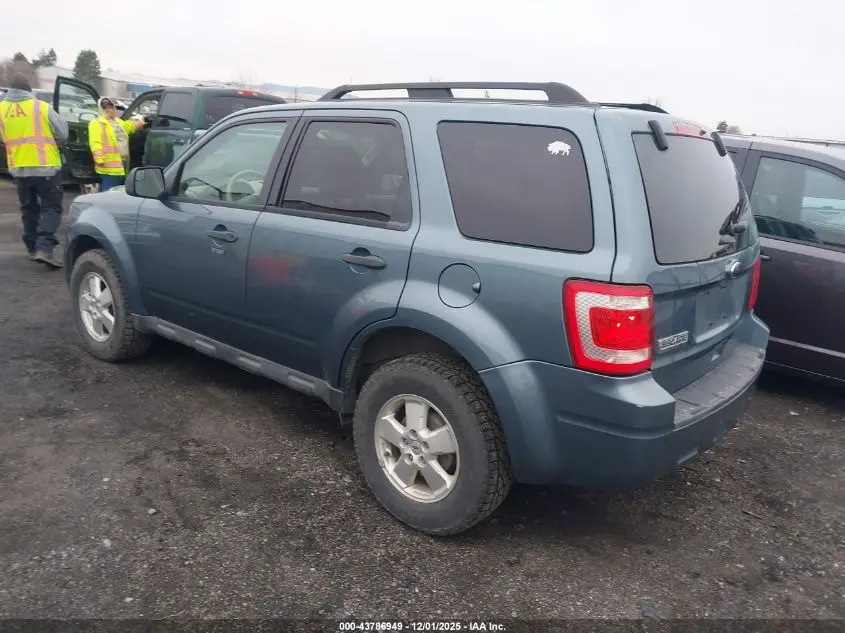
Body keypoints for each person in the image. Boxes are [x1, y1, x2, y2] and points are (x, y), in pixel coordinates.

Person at [0, 73, 69, 268]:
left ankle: (32, 247)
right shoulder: (41, 107)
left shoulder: (1, 109)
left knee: (28, 209)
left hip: (19, 168)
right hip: (46, 167)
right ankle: (44, 248)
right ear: (28, 89)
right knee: (51, 208)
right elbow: (63, 133)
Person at [88, 97, 144, 191]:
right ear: (101, 110)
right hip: (108, 166)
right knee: (110, 192)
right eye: (105, 108)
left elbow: (128, 126)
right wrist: (100, 159)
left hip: (121, 164)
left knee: (118, 191)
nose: (109, 109)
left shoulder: (118, 121)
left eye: (111, 107)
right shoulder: (97, 123)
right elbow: (95, 142)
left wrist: (140, 123)